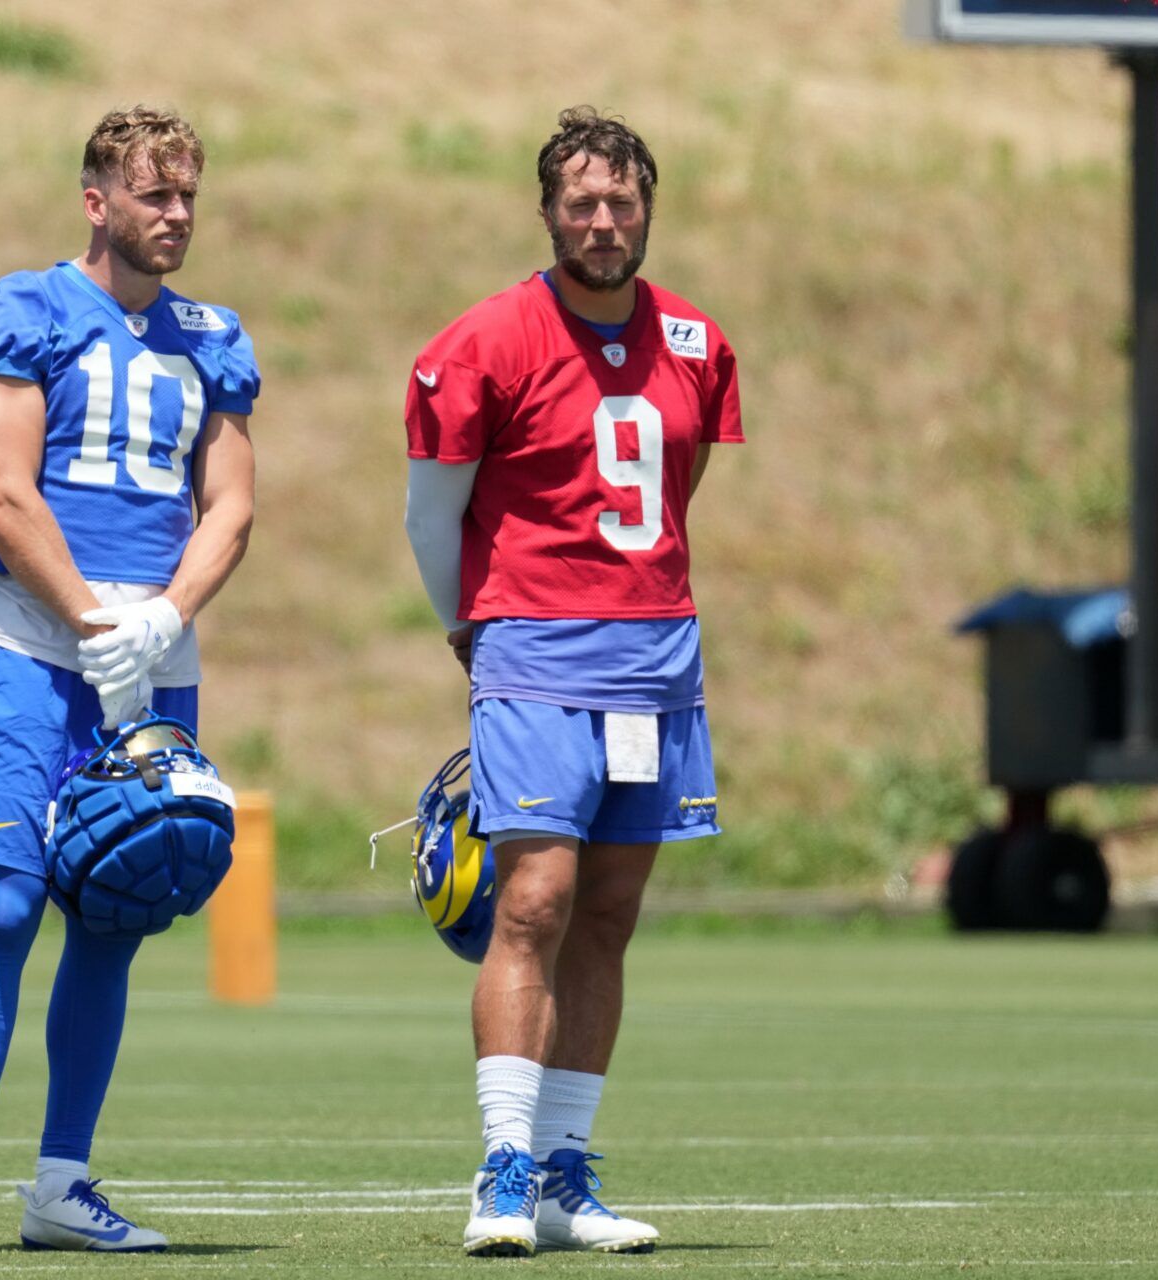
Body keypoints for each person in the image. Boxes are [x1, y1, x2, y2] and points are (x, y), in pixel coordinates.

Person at [0, 105, 258, 1255]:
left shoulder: (211, 336)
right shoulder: (24, 310)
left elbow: (233, 507)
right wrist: (89, 617)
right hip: (32, 642)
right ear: (96, 199)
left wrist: (160, 617)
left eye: (189, 197)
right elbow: (3, 493)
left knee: (115, 910)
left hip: (155, 656)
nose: (176, 216)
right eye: (154, 195)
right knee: (7, 903)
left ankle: (61, 1182)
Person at [402, 106, 743, 1257]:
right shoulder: (486, 338)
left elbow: (679, 497)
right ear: (548, 211)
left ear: (649, 205)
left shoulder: (696, 338)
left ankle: (564, 1172)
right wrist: (470, 625)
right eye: (581, 203)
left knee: (609, 913)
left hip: (657, 658)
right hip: (534, 650)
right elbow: (430, 508)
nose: (603, 222)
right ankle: (501, 1164)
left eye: (622, 201)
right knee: (535, 898)